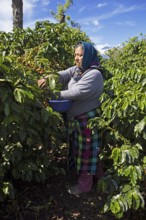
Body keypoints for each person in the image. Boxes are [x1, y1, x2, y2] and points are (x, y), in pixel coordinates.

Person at [38, 41, 104, 195]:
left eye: (80, 55)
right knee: (82, 149)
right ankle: (100, 176)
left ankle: (85, 185)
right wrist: (47, 79)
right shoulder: (77, 70)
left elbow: (77, 92)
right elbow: (62, 74)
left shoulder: (94, 74)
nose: (76, 58)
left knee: (87, 151)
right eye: (75, 54)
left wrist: (52, 94)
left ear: (88, 56)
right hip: (75, 119)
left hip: (87, 119)